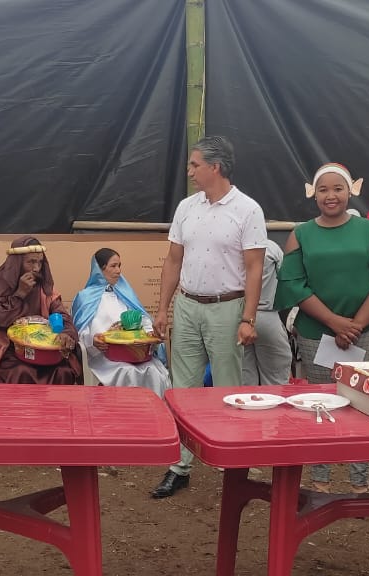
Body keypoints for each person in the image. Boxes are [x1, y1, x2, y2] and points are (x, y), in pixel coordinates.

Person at [151, 135, 268, 499]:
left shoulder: (248, 210)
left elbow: (255, 267)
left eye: (195, 165)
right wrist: (163, 307)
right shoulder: (187, 207)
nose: (189, 171)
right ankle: (179, 465)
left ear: (215, 167)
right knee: (182, 389)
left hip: (226, 307)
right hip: (187, 305)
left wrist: (248, 318)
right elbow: (173, 260)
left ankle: (230, 461)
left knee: (226, 388)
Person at [277, 163, 369, 494]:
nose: (330, 195)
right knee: (321, 401)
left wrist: (356, 325)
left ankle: (359, 479)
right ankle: (321, 477)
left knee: (362, 401)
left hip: (367, 331)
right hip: (316, 332)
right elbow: (293, 283)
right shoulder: (301, 234)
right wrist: (334, 322)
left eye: (337, 188)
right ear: (313, 194)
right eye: (323, 189)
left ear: (350, 191)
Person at [0, 236, 82, 384]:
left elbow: (61, 315)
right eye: (31, 262)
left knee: (63, 371)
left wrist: (66, 333)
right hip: (12, 350)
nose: (36, 268)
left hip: (44, 349)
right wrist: (20, 294)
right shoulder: (0, 286)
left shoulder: (45, 288)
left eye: (39, 262)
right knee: (22, 371)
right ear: (18, 263)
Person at [71, 248, 170, 396]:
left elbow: (141, 319)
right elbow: (79, 332)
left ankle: (152, 410)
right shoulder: (84, 297)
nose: (118, 271)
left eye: (119, 266)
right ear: (100, 269)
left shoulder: (124, 293)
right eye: (113, 266)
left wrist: (152, 332)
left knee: (154, 371)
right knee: (128, 372)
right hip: (105, 356)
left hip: (134, 353)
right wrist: (94, 340)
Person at [241, 239, 292, 385]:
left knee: (245, 380)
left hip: (238, 317)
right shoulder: (271, 247)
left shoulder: (230, 246)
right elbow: (286, 278)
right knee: (275, 381)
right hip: (267, 315)